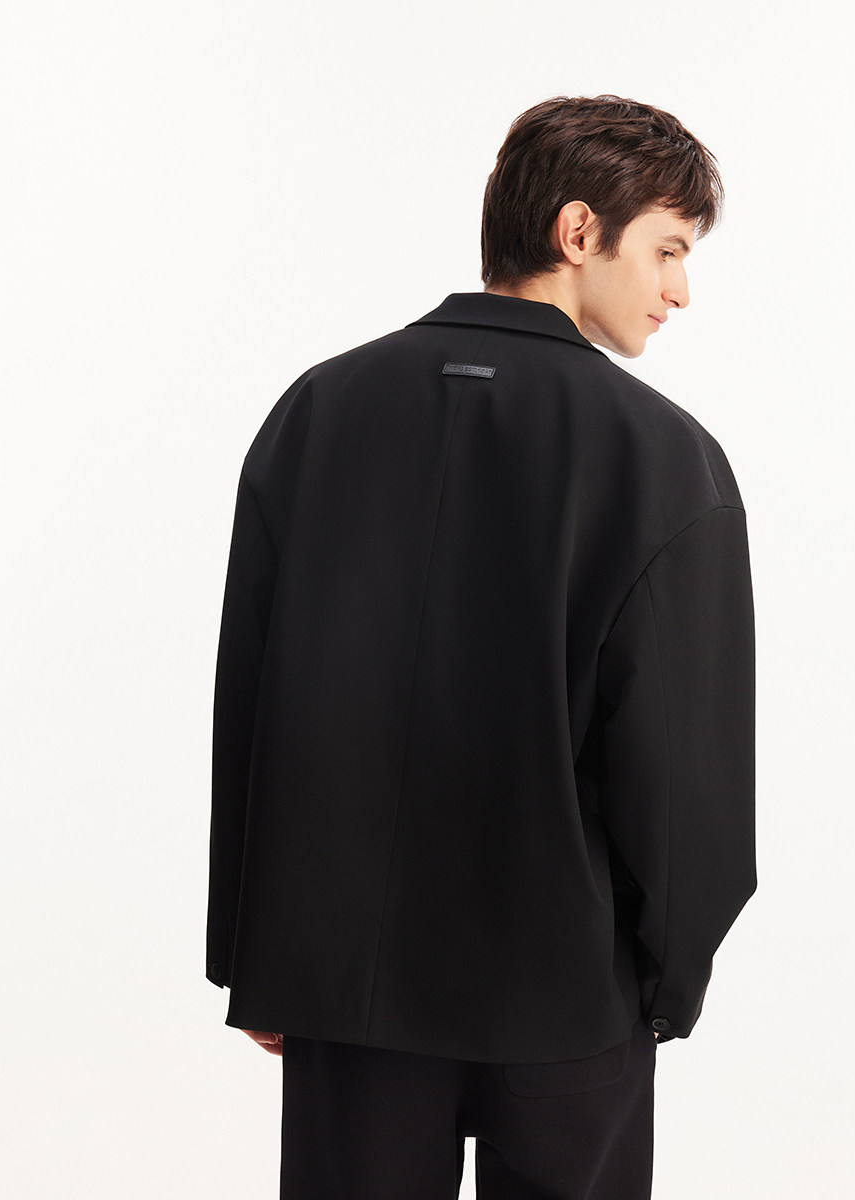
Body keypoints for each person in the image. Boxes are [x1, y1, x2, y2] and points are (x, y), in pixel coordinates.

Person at [206, 93, 757, 1198]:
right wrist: (667, 985)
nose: (679, 290)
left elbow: (253, 704)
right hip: (570, 1005)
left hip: (345, 990)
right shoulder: (663, 457)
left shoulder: (317, 412)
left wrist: (259, 957)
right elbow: (683, 774)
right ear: (577, 231)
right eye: (667, 250)